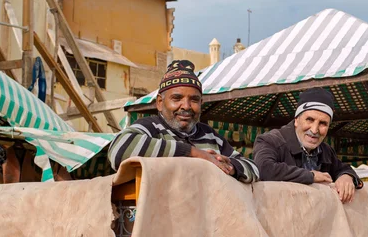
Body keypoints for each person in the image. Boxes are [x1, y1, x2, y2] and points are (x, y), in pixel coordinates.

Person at [108, 60, 259, 183]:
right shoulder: (150, 127)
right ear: (160, 102)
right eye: (177, 98)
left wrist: (231, 167)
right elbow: (119, 149)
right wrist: (195, 153)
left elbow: (254, 168)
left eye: (194, 100)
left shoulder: (210, 135)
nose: (186, 106)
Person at [253, 88, 362, 203]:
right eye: (310, 120)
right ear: (296, 120)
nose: (314, 130)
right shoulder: (270, 141)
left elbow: (343, 168)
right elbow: (264, 169)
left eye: (323, 123)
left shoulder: (326, 151)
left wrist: (346, 176)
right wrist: (310, 176)